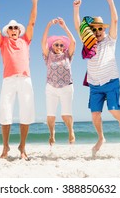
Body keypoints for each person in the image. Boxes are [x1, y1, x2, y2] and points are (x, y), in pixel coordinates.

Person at [0, 0, 42, 160]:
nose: (13, 30)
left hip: (25, 79)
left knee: (26, 113)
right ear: (7, 31)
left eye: (16, 28)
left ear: (19, 31)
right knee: (5, 113)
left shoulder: (25, 40)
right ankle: (5, 147)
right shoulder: (3, 42)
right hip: (8, 80)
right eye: (10, 28)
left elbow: (32, 21)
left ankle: (22, 147)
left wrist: (35, 2)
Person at [73, 0, 120, 157]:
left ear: (103, 30)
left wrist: (110, 1)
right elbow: (78, 26)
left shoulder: (110, 41)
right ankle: (101, 138)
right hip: (94, 85)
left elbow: (115, 20)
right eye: (94, 29)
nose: (97, 31)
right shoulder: (88, 43)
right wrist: (76, 9)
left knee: (113, 110)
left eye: (100, 29)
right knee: (95, 114)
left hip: (111, 81)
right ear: (90, 31)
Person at [41, 17, 76, 146]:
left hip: (66, 87)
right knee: (51, 115)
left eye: (61, 45)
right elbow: (43, 41)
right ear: (52, 46)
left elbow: (73, 41)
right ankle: (52, 134)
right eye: (56, 44)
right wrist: (48, 25)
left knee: (65, 114)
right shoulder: (48, 55)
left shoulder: (67, 55)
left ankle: (71, 131)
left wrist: (64, 26)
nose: (59, 47)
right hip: (51, 88)